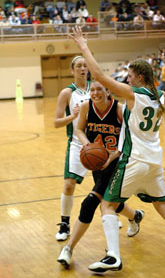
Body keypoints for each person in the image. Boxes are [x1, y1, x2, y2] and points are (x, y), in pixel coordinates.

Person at [70, 26, 165, 272]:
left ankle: (113, 257)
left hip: (135, 160)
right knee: (163, 206)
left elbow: (98, 75)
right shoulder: (159, 95)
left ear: (139, 77)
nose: (127, 79)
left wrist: (83, 46)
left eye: (129, 75)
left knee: (107, 204)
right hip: (154, 161)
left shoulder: (134, 94)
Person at [57, 80, 144, 267]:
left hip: (116, 163)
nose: (95, 93)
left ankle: (68, 248)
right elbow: (79, 129)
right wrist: (87, 144)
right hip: (98, 164)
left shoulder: (119, 110)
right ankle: (135, 216)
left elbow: (128, 140)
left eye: (99, 89)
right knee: (111, 203)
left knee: (90, 203)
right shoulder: (87, 106)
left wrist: (112, 157)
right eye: (93, 89)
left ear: (108, 91)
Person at [54, 56, 90, 241]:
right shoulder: (67, 93)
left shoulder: (98, 89)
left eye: (85, 65)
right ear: (72, 70)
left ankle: (116, 215)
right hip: (77, 143)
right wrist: (72, 116)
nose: (82, 68)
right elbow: (56, 122)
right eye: (78, 66)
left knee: (106, 186)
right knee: (69, 185)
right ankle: (65, 224)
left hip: (98, 145)